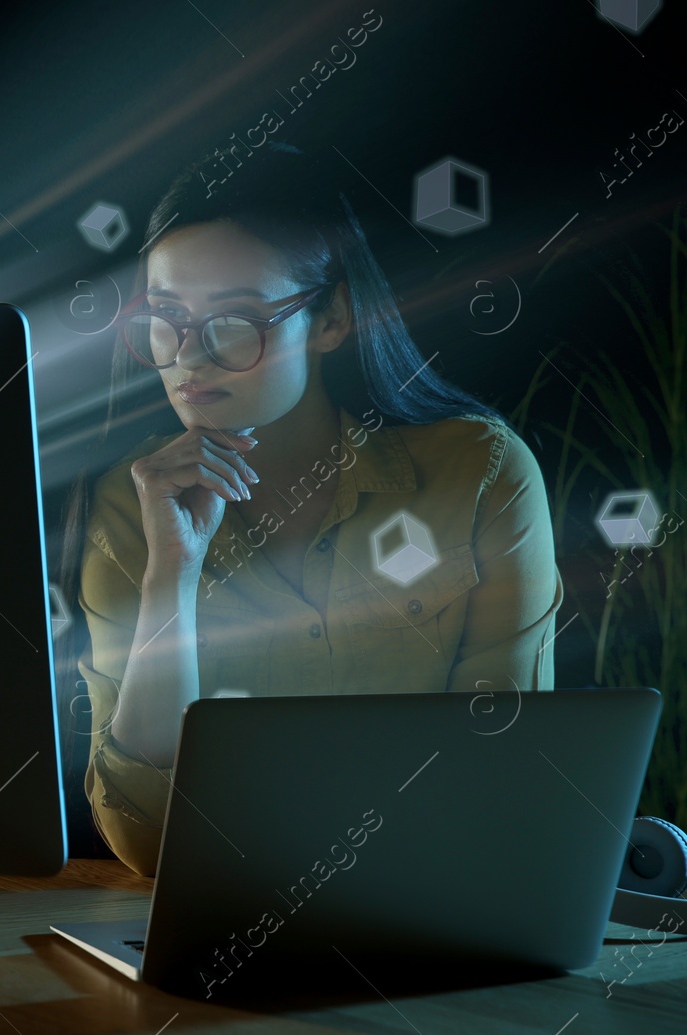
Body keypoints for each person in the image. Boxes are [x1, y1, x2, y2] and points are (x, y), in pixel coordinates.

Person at [56, 143, 563, 876]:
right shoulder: (130, 503)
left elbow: (507, 780)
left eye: (235, 321)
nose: (189, 357)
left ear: (330, 318)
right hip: (207, 935)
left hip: (429, 907)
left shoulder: (479, 474)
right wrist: (172, 573)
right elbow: (144, 839)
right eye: (166, 320)